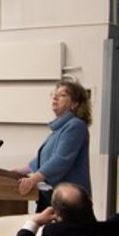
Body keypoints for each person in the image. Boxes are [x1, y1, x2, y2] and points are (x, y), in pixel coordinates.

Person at [15, 77, 92, 211]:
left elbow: (61, 159)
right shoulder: (60, 128)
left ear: (74, 104)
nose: (55, 97)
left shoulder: (76, 126)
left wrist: (33, 180)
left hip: (70, 200)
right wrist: (20, 171)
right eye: (55, 94)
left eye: (62, 95)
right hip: (52, 196)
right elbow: (43, 158)